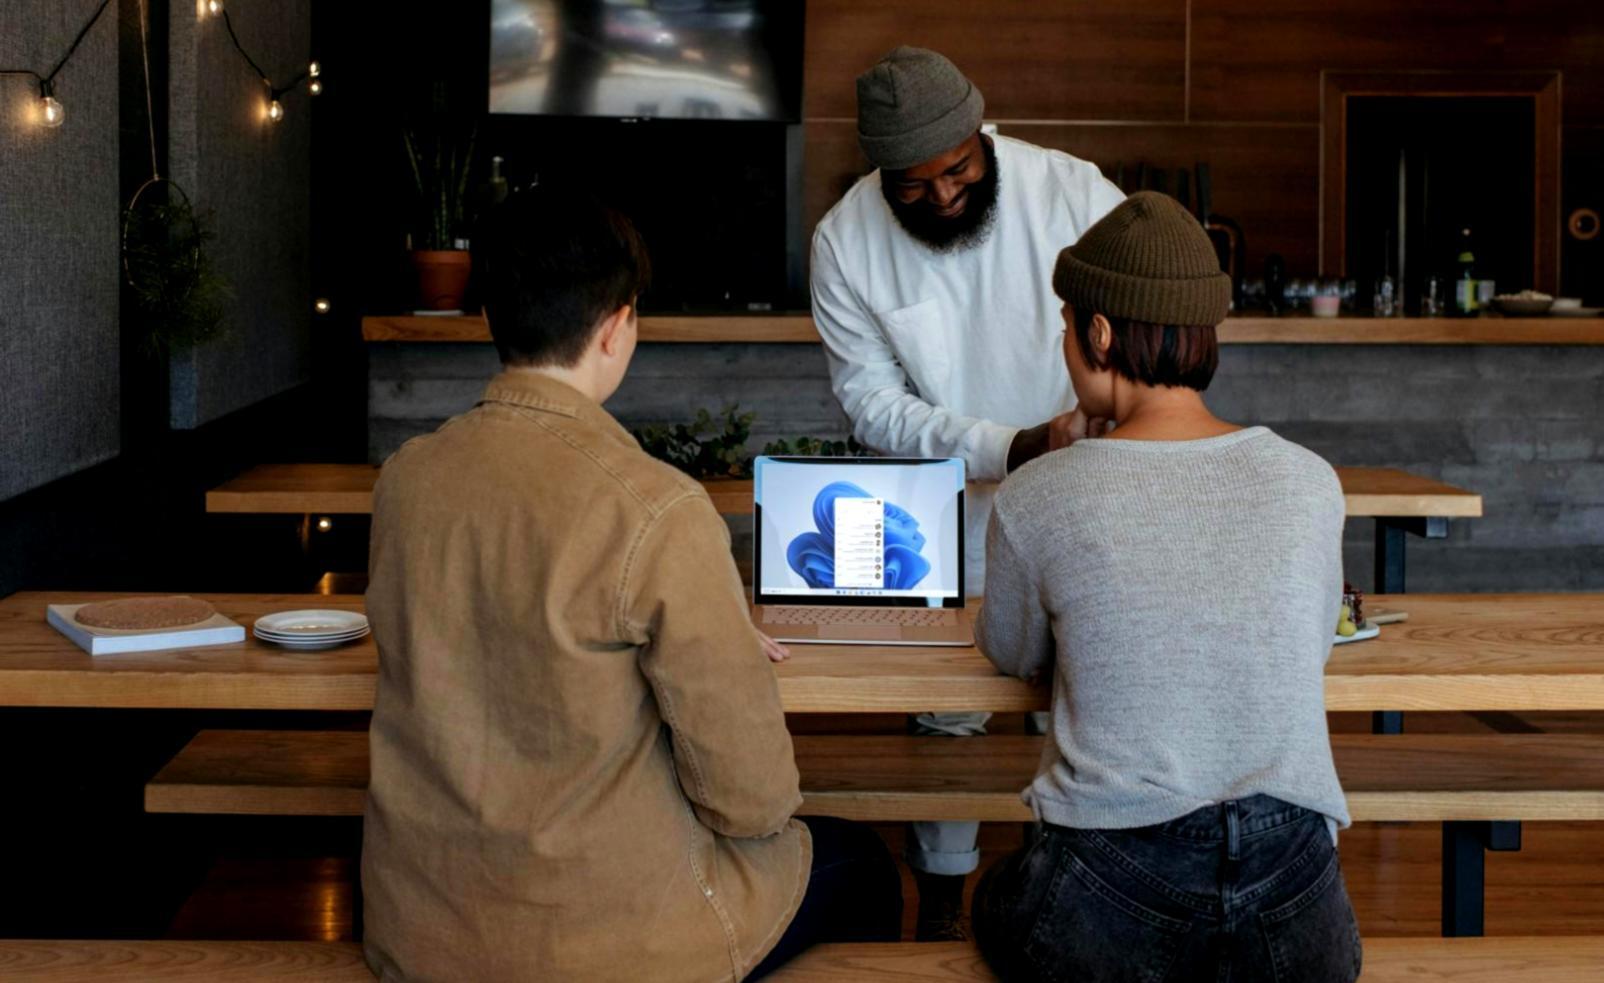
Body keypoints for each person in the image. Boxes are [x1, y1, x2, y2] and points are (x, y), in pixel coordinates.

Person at [361, 188, 900, 983]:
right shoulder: (656, 508)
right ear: (618, 325)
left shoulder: (406, 482)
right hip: (602, 947)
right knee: (861, 865)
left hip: (422, 931)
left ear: (490, 318)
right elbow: (750, 800)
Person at [971, 192, 1361, 982]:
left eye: (1067, 328)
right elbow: (1312, 639)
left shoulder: (1040, 493)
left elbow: (1011, 652)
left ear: (1100, 334)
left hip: (1111, 890)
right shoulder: (1309, 480)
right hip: (1297, 897)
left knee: (992, 900)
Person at [809, 45, 1124, 937]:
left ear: (983, 133)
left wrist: (1095, 421)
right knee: (948, 719)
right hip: (949, 516)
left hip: (1090, 500)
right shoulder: (843, 241)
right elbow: (873, 405)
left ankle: (1071, 897)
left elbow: (1145, 324)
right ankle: (944, 901)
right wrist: (1015, 444)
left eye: (959, 170)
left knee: (1082, 702)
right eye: (914, 186)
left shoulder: (1073, 193)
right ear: (879, 173)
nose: (943, 196)